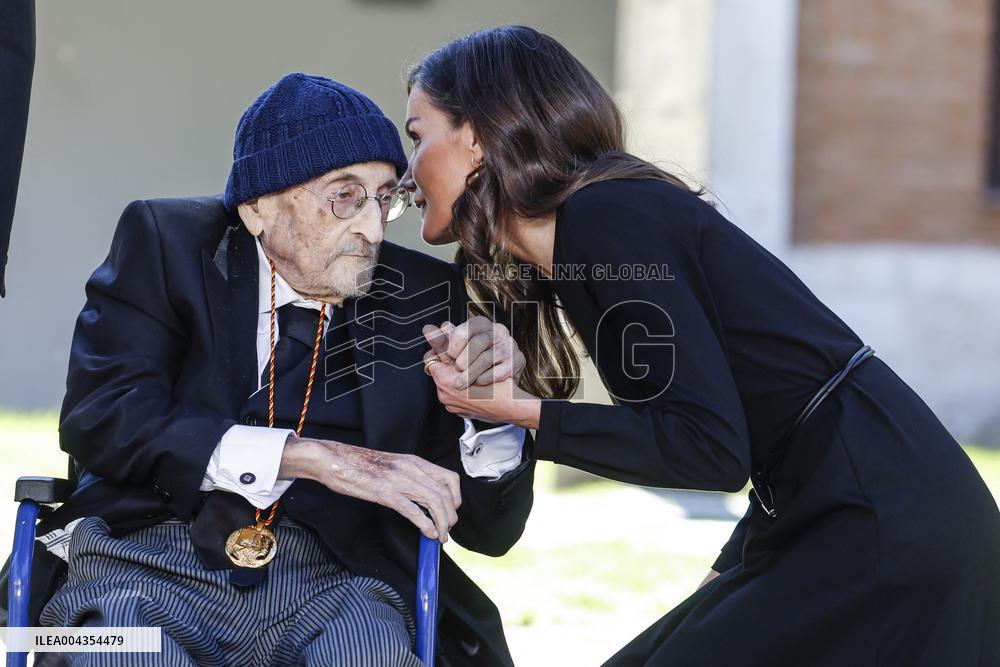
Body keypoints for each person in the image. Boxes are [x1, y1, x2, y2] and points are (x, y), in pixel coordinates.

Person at [406, 26, 1000, 666]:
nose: (408, 171)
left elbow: (710, 450)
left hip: (880, 518)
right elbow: (743, 430)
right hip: (831, 507)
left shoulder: (605, 220)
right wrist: (729, 570)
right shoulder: (579, 242)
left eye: (418, 135)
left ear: (479, 137)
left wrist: (517, 410)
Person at [7, 73, 535, 666]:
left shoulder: (425, 295)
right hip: (135, 566)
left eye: (386, 197)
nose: (373, 226)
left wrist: (493, 414)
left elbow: (490, 533)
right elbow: (101, 417)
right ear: (257, 208)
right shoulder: (167, 244)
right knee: (111, 652)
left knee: (373, 653)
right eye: (344, 196)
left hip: (341, 586)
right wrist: (308, 457)